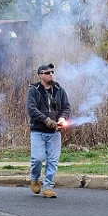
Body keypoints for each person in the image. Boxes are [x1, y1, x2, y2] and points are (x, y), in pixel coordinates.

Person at [26, 63, 71, 198]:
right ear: (40, 75)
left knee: (53, 160)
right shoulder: (34, 90)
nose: (50, 74)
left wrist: (62, 117)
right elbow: (32, 109)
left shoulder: (59, 90)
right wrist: (46, 120)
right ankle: (34, 179)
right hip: (38, 130)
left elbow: (66, 107)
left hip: (55, 133)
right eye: (47, 73)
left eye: (52, 72)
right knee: (37, 159)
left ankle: (48, 187)